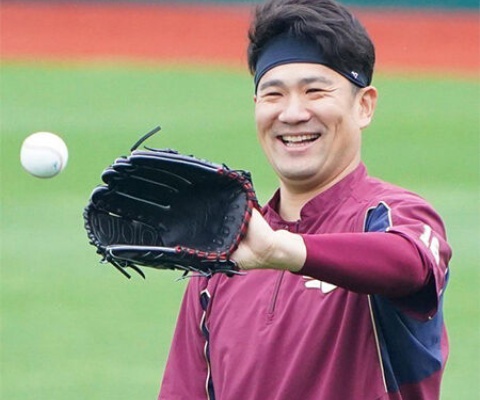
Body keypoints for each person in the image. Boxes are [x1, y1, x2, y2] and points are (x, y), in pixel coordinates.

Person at [158, 0, 452, 399]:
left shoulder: (389, 214)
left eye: (315, 91)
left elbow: (410, 263)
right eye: (273, 94)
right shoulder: (225, 254)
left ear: (364, 106)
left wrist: (284, 250)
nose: (292, 113)